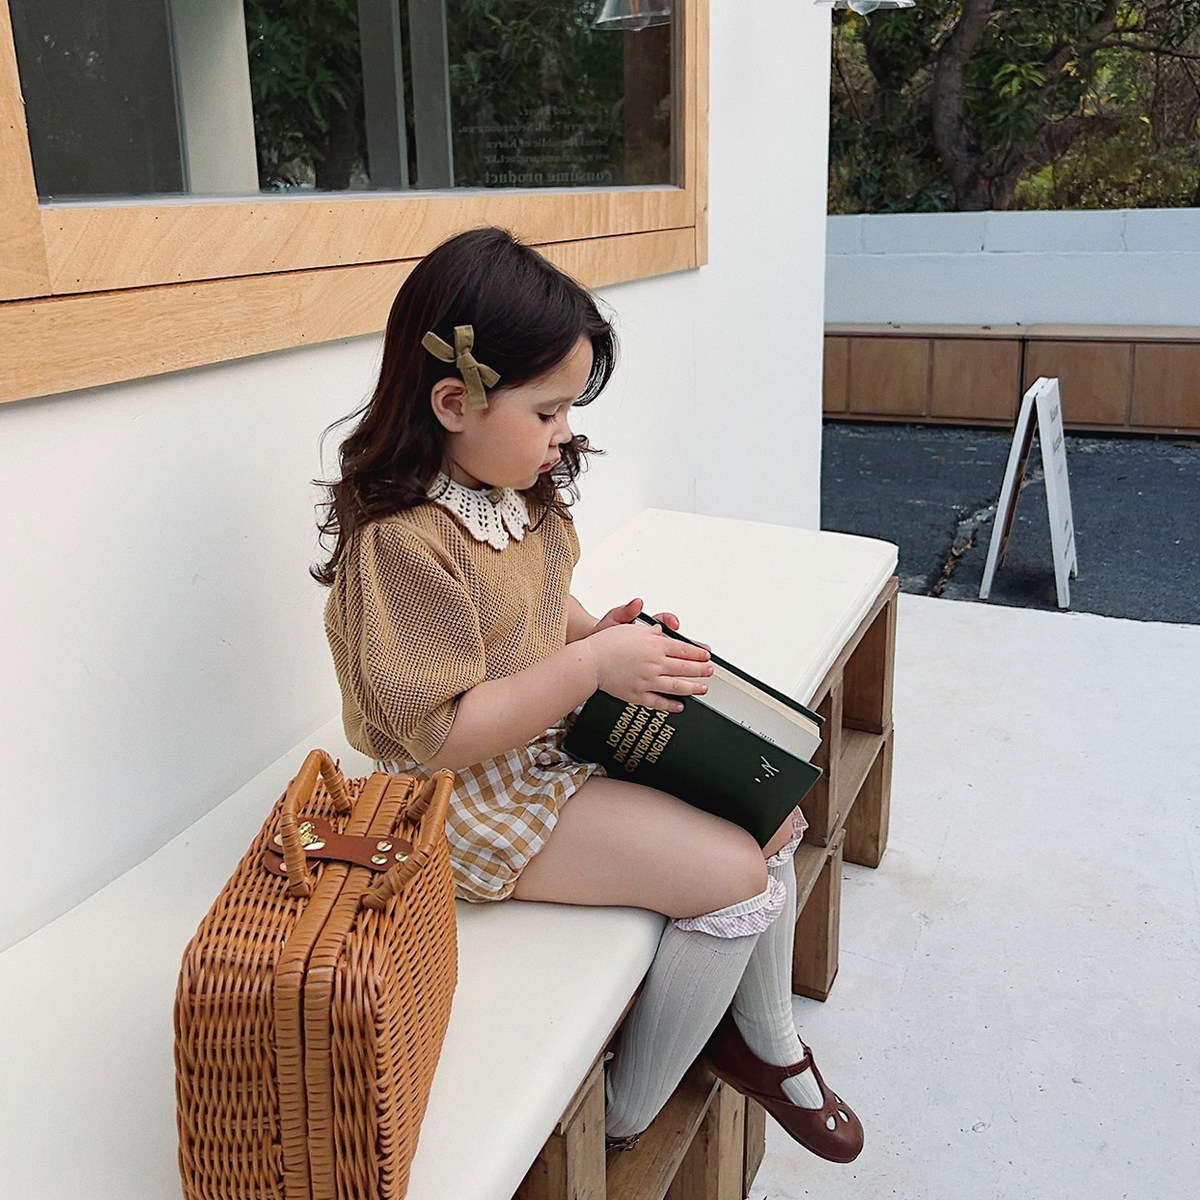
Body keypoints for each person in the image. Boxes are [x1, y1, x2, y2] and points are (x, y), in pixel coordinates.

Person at [314, 226, 863, 1163]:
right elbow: (441, 734)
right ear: (454, 402)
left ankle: (765, 1043)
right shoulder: (402, 544)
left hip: (544, 744)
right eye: (549, 410)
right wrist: (589, 669)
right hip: (462, 798)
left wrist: (596, 632)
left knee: (769, 811)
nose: (565, 431)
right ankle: (625, 1110)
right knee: (732, 875)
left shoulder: (506, 484)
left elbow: (533, 600)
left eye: (569, 407)